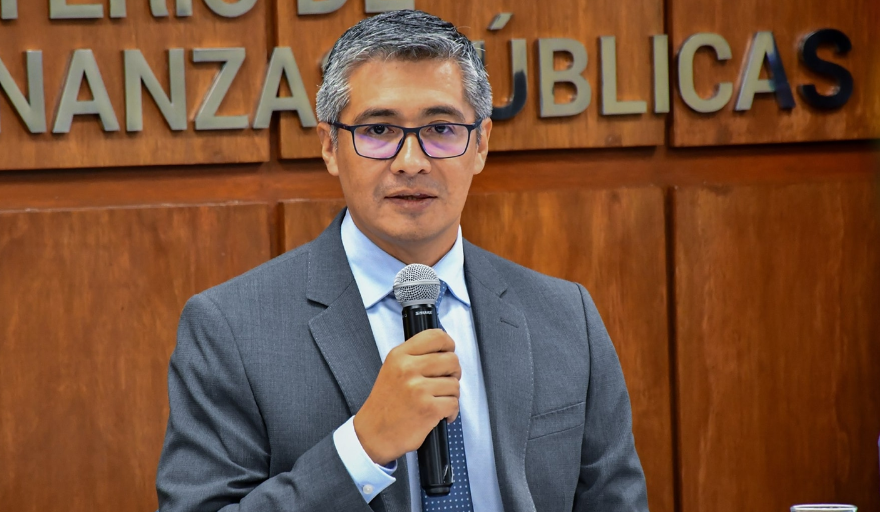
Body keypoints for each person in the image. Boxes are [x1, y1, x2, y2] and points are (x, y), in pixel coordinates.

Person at [156, 10, 648, 512]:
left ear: (480, 144)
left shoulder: (566, 316)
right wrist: (361, 449)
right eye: (378, 130)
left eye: (441, 128)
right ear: (330, 146)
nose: (411, 162)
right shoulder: (231, 329)